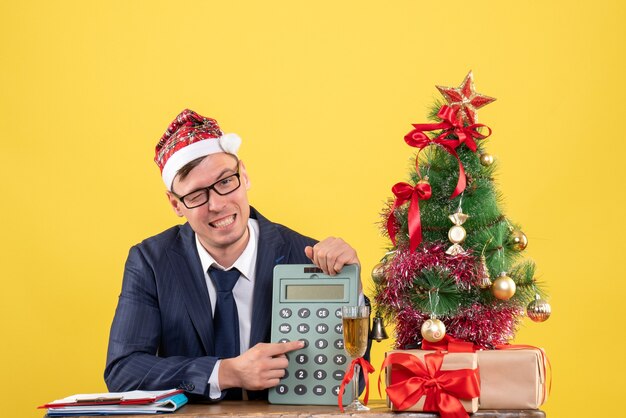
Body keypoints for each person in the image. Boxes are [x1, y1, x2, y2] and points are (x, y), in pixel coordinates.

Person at [105, 109, 366, 401]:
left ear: (244, 173)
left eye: (226, 182)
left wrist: (350, 288)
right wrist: (224, 372)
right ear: (175, 203)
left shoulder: (305, 257)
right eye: (195, 196)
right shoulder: (151, 262)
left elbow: (352, 378)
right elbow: (123, 370)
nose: (216, 204)